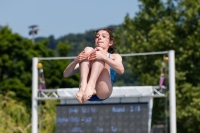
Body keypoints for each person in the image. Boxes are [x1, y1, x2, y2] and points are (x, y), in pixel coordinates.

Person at [63, 28, 124, 103]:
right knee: (88, 49)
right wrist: (76, 61)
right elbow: (66, 74)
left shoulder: (114, 56)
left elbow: (121, 70)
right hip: (85, 92)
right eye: (97, 36)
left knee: (99, 53)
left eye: (104, 36)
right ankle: (83, 86)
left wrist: (103, 57)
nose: (99, 38)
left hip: (103, 91)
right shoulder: (89, 55)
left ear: (110, 42)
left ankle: (91, 86)